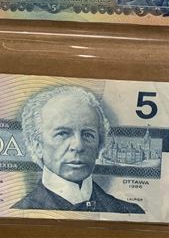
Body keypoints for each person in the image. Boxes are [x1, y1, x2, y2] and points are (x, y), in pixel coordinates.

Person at [12, 86, 143, 213]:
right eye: (62, 133)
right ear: (37, 146)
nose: (78, 146)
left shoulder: (130, 212)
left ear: (99, 146)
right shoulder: (18, 214)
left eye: (88, 135)